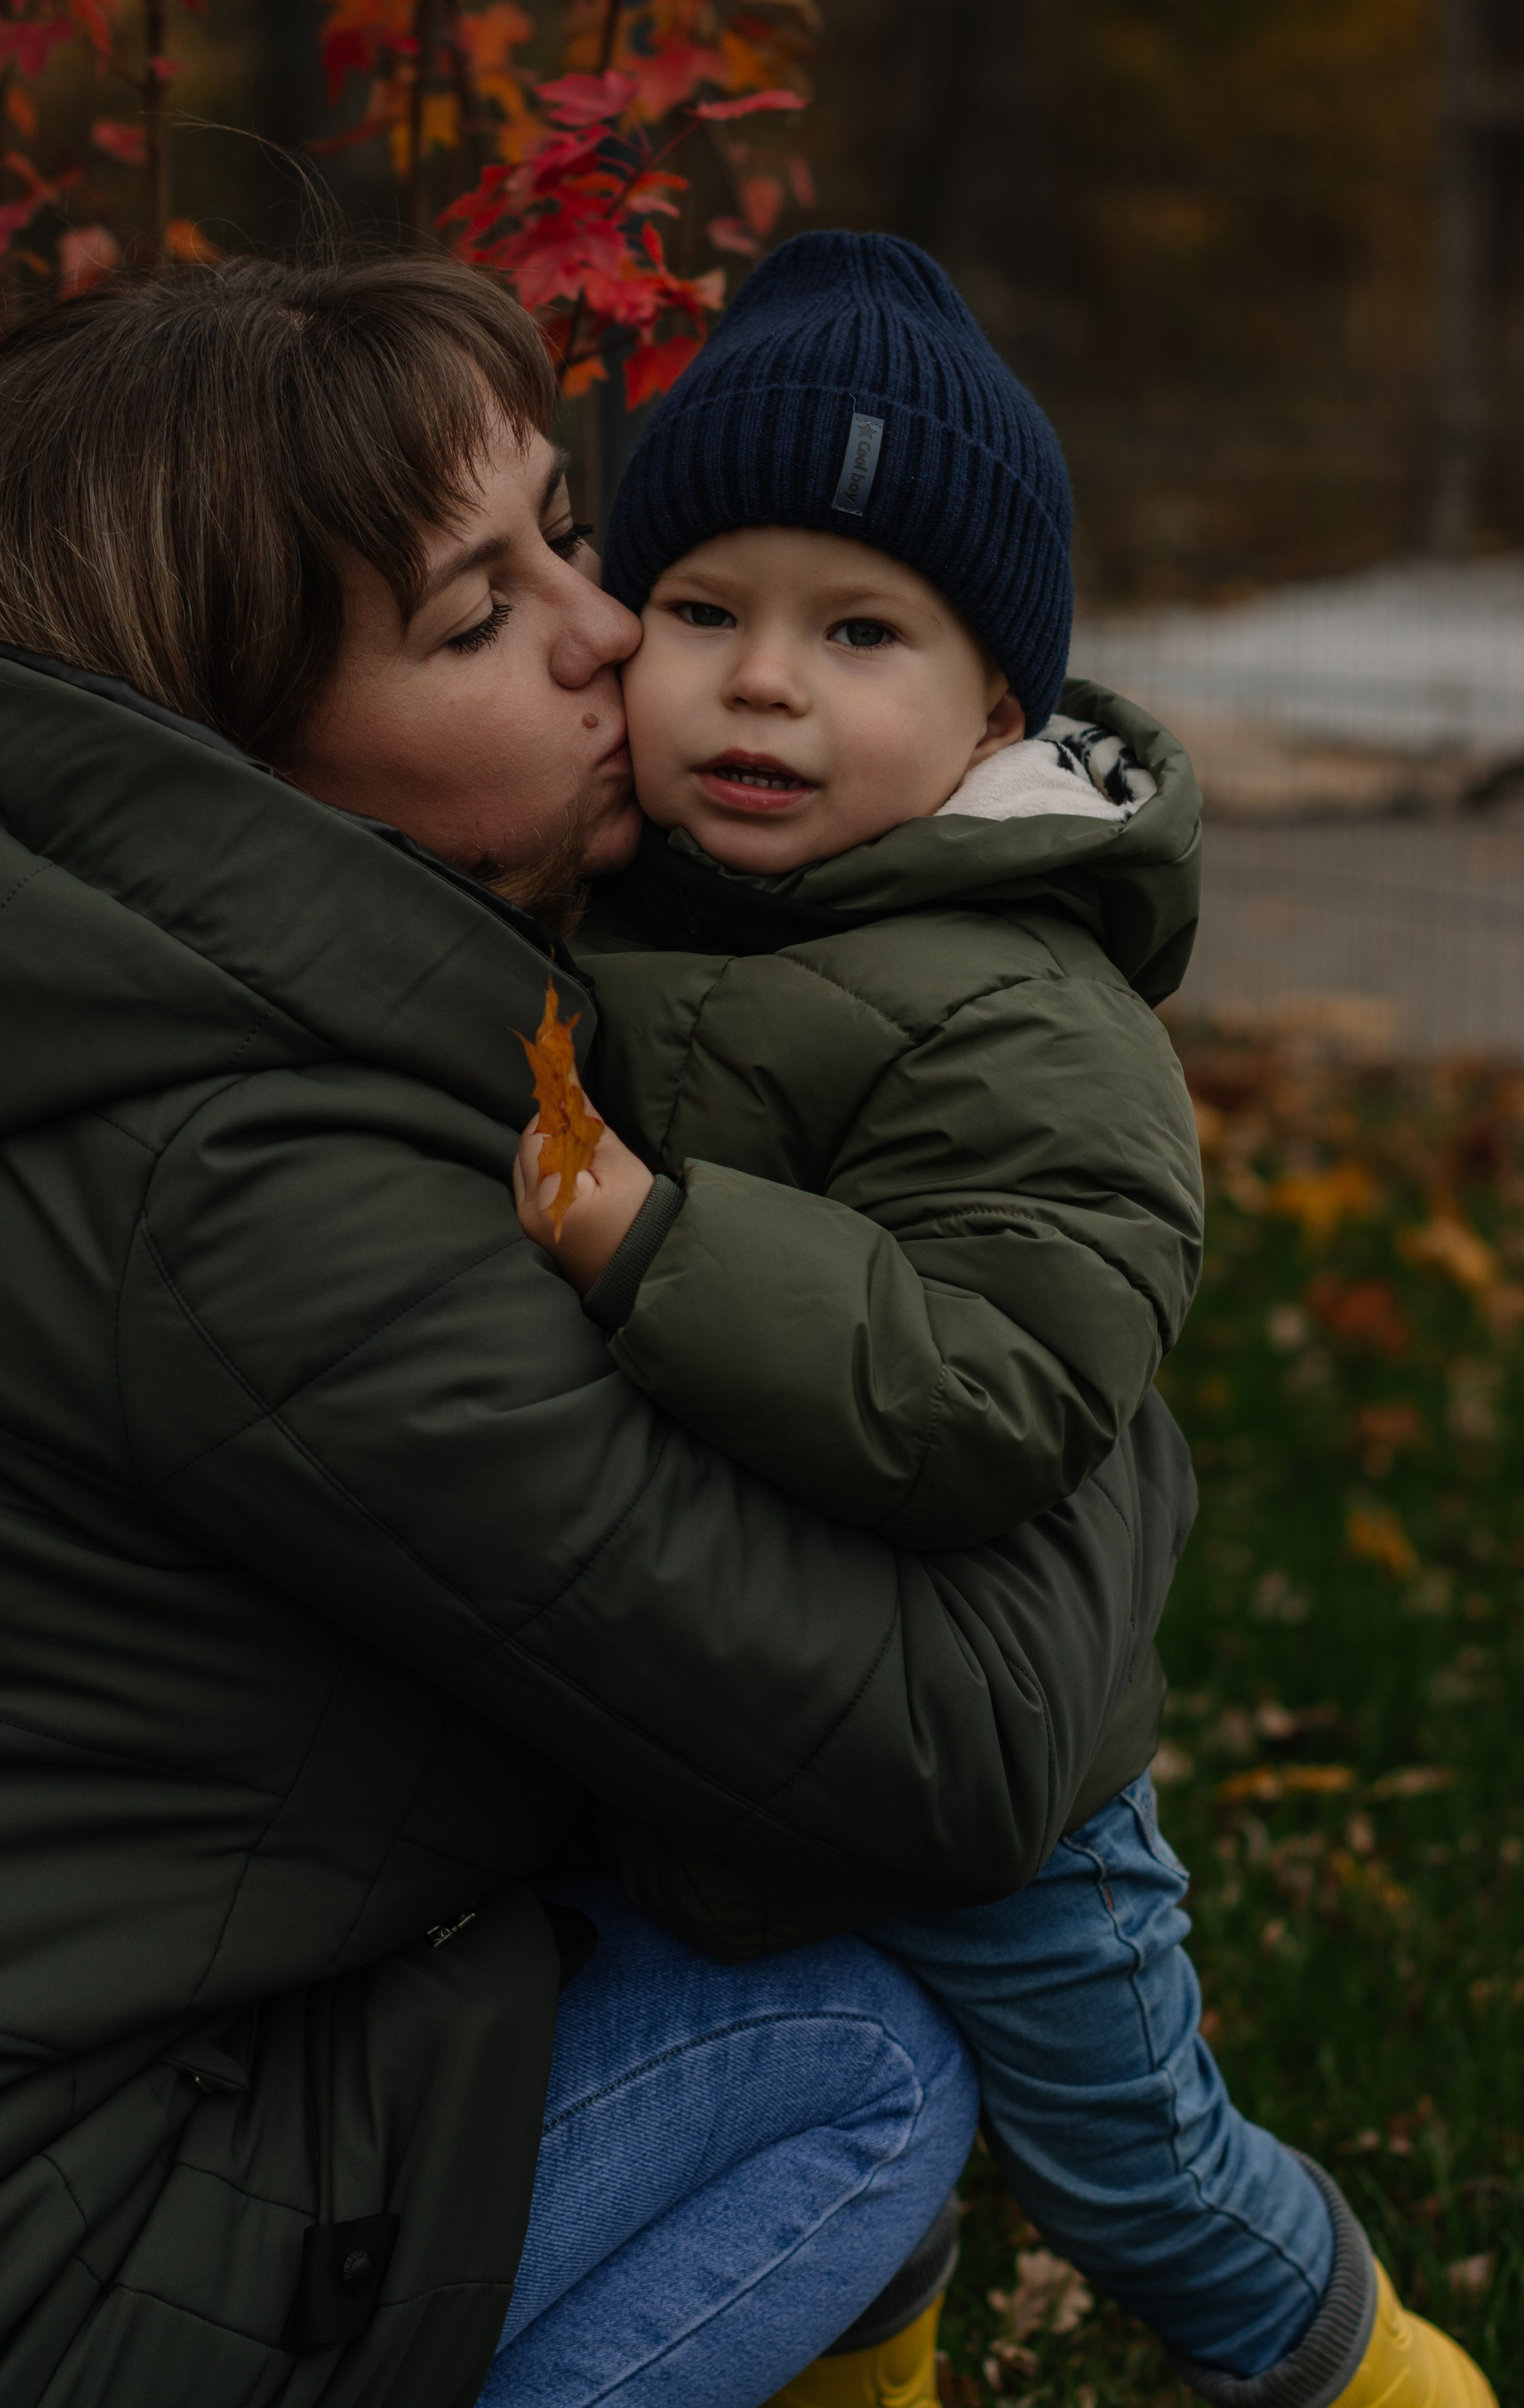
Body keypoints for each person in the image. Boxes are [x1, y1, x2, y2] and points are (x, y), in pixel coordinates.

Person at [0, 251, 1191, 2408]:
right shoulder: (251, 1197)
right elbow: (945, 1758)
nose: (618, 632)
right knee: (844, 2049)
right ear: (243, 761)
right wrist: (1066, 1314)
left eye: (567, 535)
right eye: (476, 618)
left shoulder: (84, 1008)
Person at [511, 230, 1493, 2408]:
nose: (764, 684)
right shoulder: (608, 909)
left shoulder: (1023, 1004)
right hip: (729, 1734)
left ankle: (1392, 2386)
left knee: (1146, 2184)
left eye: (859, 631)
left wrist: (650, 1245)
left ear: (993, 714)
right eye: (704, 612)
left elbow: (1000, 1381)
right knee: (836, 2185)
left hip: (1007, 1808)